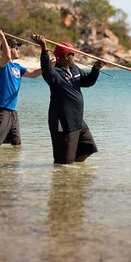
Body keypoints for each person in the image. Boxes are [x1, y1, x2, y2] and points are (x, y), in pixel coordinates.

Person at [31, 34, 106, 164]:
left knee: (88, 149)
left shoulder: (74, 69)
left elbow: (87, 82)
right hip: (64, 123)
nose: (75, 56)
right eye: (73, 54)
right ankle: (63, 179)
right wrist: (44, 49)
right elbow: (46, 70)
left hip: (78, 121)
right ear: (66, 56)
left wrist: (95, 69)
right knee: (63, 163)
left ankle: (73, 176)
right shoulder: (55, 74)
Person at [0, 29, 43, 147]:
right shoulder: (0, 63)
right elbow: (6, 57)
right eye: (16, 48)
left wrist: (48, 66)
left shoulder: (17, 66)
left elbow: (33, 74)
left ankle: (12, 165)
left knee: (17, 145)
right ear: (9, 48)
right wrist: (2, 38)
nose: (18, 50)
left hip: (12, 110)